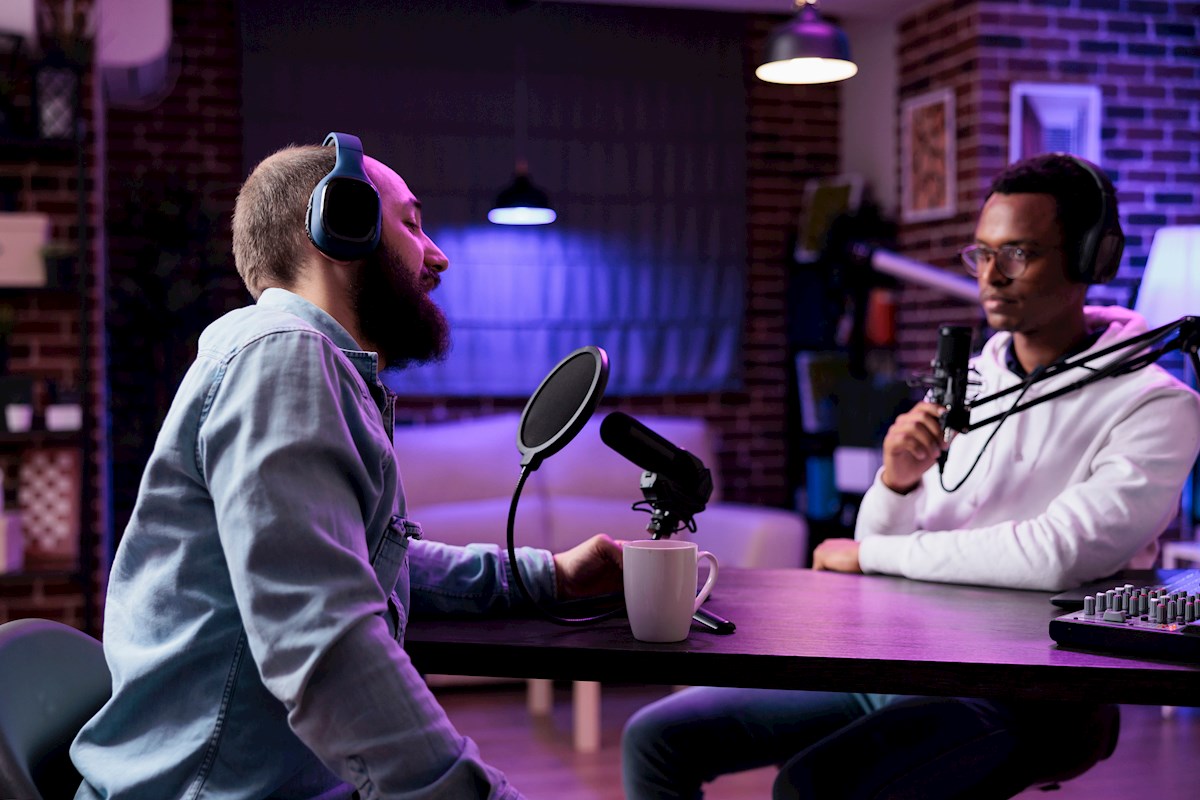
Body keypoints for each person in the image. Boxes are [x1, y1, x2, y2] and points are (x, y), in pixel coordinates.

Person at [621, 152, 1200, 800]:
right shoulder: (970, 382)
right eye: (980, 254)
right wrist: (894, 482)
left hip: (1029, 693)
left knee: (810, 787)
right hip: (903, 658)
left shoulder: (1156, 404)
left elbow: (1058, 556)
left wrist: (872, 553)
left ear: (1095, 259)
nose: (991, 276)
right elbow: (885, 540)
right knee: (656, 739)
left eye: (1019, 254)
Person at [71, 133, 624, 799]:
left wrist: (549, 577)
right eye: (413, 224)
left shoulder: (295, 360)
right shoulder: (286, 359)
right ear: (343, 224)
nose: (438, 256)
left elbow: (355, 564)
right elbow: (327, 642)